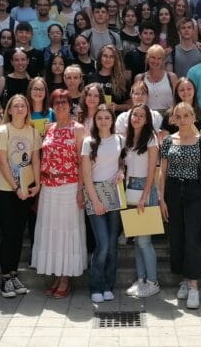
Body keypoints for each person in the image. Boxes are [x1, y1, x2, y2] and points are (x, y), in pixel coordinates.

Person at [160, 102, 201, 309]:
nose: (183, 119)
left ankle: (194, 286)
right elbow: (163, 172)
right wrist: (161, 199)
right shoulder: (168, 141)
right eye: (179, 116)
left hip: (194, 190)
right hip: (173, 191)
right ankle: (184, 278)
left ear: (194, 117)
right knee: (177, 237)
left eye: (187, 115)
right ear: (173, 119)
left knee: (192, 237)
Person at [32, 89, 87, 298]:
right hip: (48, 187)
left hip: (69, 186)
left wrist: (81, 190)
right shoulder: (49, 128)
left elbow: (83, 162)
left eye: (64, 102)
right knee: (52, 233)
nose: (61, 105)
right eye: (57, 102)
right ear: (52, 106)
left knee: (66, 231)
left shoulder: (78, 129)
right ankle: (57, 274)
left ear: (70, 105)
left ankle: (65, 278)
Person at [0, 94, 42, 298]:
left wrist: (37, 184)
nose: (20, 109)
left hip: (26, 190)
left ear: (28, 110)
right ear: (9, 110)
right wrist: (15, 187)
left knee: (19, 233)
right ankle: (5, 278)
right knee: (8, 233)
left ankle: (13, 274)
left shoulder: (33, 132)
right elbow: (2, 162)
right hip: (5, 190)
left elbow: (35, 160)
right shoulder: (3, 131)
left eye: (23, 106)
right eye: (16, 106)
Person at [81, 105, 125, 303]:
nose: (103, 121)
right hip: (95, 193)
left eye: (107, 117)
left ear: (112, 120)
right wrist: (95, 201)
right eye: (99, 118)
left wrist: (121, 171)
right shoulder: (88, 142)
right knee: (103, 244)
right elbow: (86, 175)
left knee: (113, 246)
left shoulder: (119, 139)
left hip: (114, 193)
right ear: (95, 120)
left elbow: (122, 161)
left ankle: (108, 285)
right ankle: (95, 285)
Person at [122, 104, 161, 298]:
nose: (136, 118)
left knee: (145, 241)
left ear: (147, 120)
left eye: (141, 116)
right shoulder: (128, 139)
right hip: (130, 188)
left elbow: (152, 171)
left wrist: (145, 196)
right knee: (137, 241)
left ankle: (153, 282)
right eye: (134, 115)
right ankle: (141, 279)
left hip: (145, 188)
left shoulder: (151, 138)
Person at [133, 45, 177, 113]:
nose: (155, 61)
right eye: (153, 57)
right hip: (147, 116)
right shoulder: (139, 78)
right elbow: (136, 101)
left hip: (168, 116)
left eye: (159, 58)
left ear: (163, 60)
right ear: (147, 59)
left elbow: (177, 100)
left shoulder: (172, 77)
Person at [90, 45, 130, 113]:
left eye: (111, 57)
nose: (108, 59)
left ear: (116, 59)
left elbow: (130, 105)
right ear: (100, 58)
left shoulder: (123, 80)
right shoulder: (90, 77)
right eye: (105, 56)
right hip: (94, 116)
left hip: (116, 117)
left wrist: (117, 107)